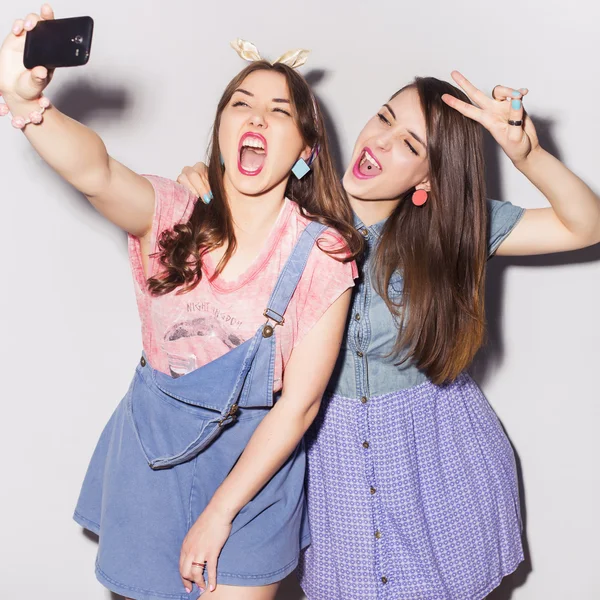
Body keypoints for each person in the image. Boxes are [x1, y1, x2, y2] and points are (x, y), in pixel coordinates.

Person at [177, 71, 600, 599]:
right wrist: (208, 185)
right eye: (383, 117)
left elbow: (585, 225)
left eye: (408, 144)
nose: (379, 140)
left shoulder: (452, 230)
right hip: (333, 465)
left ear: (427, 180)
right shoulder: (290, 217)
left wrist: (524, 152)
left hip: (440, 464)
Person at [0, 7, 363, 600]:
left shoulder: (323, 253)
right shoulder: (169, 212)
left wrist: (220, 513)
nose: (257, 117)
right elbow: (95, 171)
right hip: (153, 458)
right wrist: (25, 104)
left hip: (254, 474)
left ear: (305, 149)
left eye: (280, 111)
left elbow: (299, 407)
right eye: (241, 103)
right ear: (221, 129)